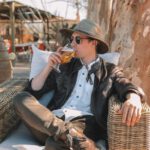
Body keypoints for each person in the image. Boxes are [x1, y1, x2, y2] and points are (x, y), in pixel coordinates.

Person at [13, 19, 145, 150]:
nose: (72, 44)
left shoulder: (109, 70)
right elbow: (34, 90)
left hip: (83, 125)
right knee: (20, 98)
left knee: (53, 144)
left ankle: (68, 137)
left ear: (94, 42)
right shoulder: (65, 66)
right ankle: (71, 137)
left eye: (78, 40)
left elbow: (125, 84)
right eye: (71, 39)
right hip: (49, 122)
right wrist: (49, 66)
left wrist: (134, 97)